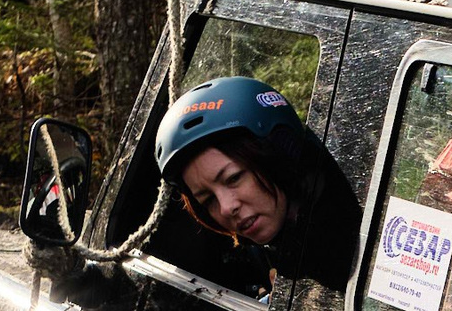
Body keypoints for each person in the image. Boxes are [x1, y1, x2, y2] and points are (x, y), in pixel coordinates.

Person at [152, 76, 358, 294]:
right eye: (208, 199)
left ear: (281, 156)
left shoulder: (360, 224)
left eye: (233, 178)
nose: (226, 208)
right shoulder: (262, 250)